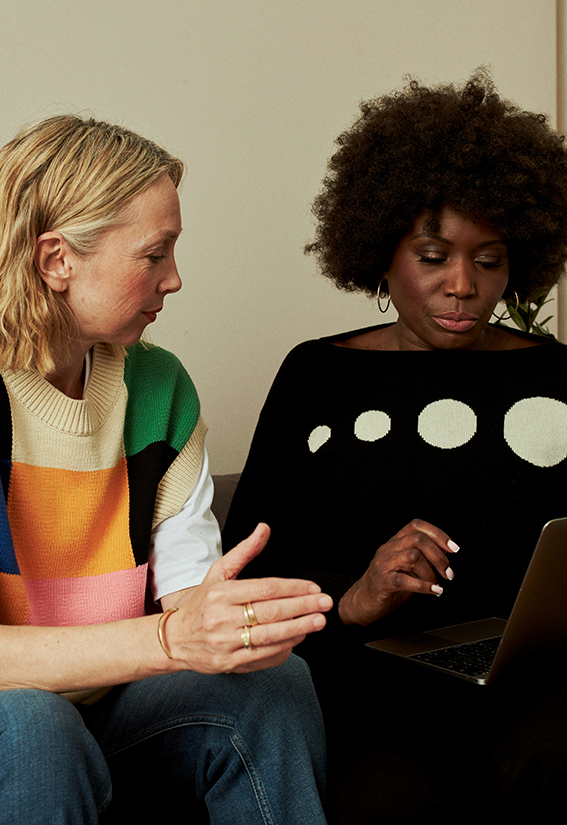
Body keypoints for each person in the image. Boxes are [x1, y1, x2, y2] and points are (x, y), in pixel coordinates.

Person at [223, 73, 567, 822]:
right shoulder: (317, 375)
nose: (463, 285)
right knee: (388, 793)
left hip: (539, 679)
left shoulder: (563, 377)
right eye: (435, 254)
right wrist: (355, 596)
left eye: (489, 259)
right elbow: (246, 562)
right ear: (382, 252)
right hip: (374, 679)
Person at [0, 115, 333, 825]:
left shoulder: (160, 389)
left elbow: (186, 600)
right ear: (57, 259)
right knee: (35, 728)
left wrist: (225, 621)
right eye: (155, 253)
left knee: (273, 684)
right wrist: (166, 640)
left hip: (120, 705)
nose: (174, 279)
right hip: (16, 720)